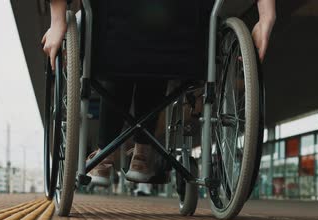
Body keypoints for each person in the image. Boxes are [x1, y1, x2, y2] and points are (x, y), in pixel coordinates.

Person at [42, 0, 276, 186]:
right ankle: (142, 154)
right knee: (157, 58)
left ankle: (104, 155)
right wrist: (266, 14)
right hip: (184, 47)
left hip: (110, 40)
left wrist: (57, 21)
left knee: (118, 52)